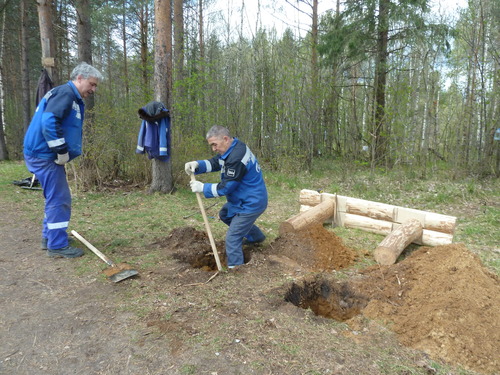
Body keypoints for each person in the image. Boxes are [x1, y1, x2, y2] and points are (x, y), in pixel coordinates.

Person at [23, 62, 103, 258]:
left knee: (54, 197)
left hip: (43, 154)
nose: (93, 89)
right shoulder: (65, 94)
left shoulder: (70, 96)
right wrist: (60, 150)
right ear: (80, 78)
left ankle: (49, 237)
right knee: (60, 199)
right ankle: (57, 245)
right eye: (92, 84)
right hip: (44, 155)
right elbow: (49, 121)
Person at [185, 125, 268, 269]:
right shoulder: (233, 147)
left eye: (214, 145)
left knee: (232, 237)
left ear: (225, 139)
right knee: (225, 214)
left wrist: (203, 187)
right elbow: (217, 162)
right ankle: (256, 238)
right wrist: (198, 165)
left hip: (251, 202)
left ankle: (236, 268)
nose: (213, 148)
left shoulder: (236, 157)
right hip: (242, 198)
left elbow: (226, 187)